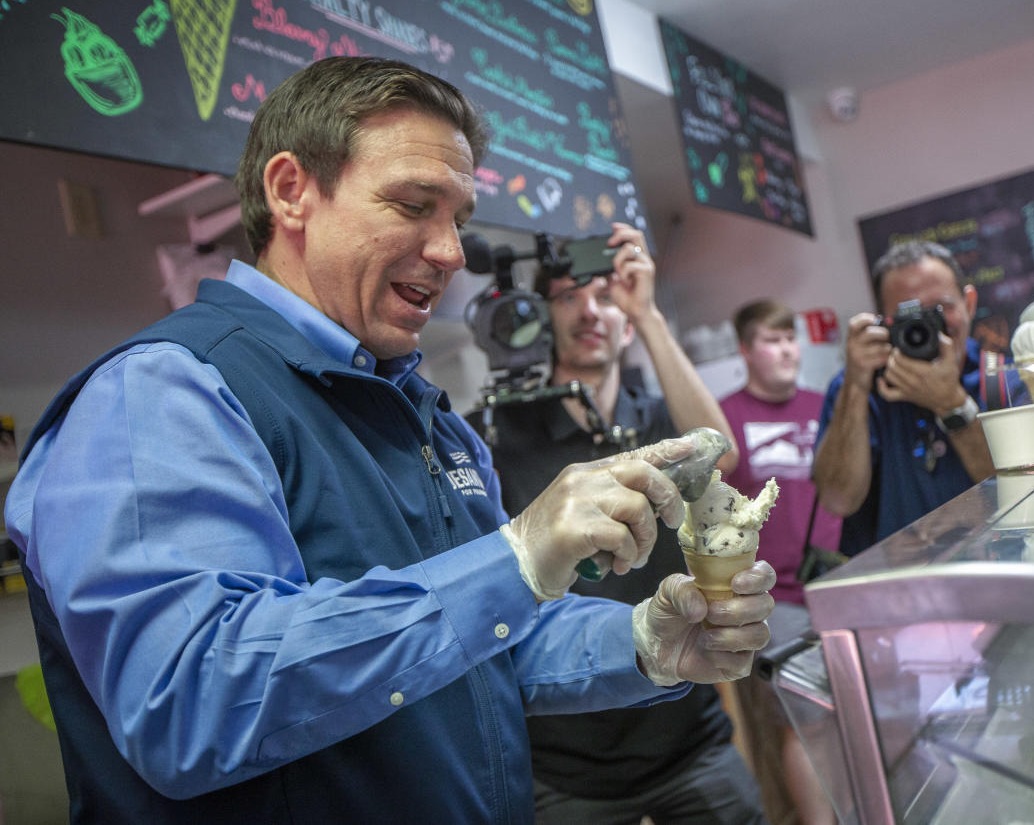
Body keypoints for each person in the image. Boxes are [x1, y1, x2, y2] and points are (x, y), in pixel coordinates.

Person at [3, 56, 776, 824]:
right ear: (290, 190)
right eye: (413, 205)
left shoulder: (428, 417)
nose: (452, 253)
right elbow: (191, 700)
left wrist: (642, 642)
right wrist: (512, 557)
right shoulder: (168, 392)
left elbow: (481, 646)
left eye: (459, 220)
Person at [466, 225, 769, 823]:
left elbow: (723, 455)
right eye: (567, 297)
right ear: (540, 316)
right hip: (565, 761)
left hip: (687, 738)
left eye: (606, 297)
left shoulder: (659, 419)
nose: (589, 311)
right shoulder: (497, 432)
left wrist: (649, 313)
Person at [813, 240, 1018, 556]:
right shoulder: (857, 387)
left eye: (940, 308)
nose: (929, 327)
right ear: (884, 322)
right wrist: (855, 385)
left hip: (993, 570)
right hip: (896, 586)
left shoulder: (1004, 379)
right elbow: (838, 500)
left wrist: (952, 404)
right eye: (909, 314)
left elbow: (1024, 490)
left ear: (970, 303)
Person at [719, 299, 840, 824]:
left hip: (839, 585)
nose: (787, 349)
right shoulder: (725, 416)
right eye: (772, 339)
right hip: (773, 599)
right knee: (807, 720)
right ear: (745, 350)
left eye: (791, 337)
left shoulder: (826, 405)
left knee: (851, 716)